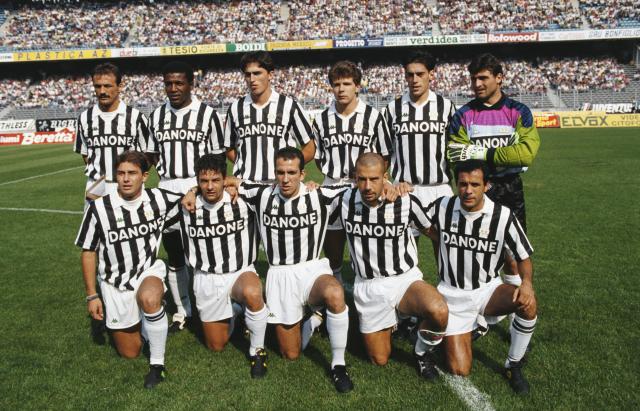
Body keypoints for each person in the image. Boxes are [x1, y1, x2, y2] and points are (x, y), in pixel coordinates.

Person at [224, 147, 353, 393]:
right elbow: (226, 180)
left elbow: (361, 186)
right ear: (274, 173)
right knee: (291, 353)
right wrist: (196, 191)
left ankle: (338, 365)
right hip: (280, 275)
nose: (285, 179)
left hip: (311, 270)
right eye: (280, 172)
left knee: (335, 293)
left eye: (292, 173)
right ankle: (313, 320)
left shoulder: (320, 194)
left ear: (302, 174)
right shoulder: (261, 193)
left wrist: (390, 185)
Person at [423, 160, 537, 395]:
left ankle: (513, 365)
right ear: (456, 185)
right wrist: (394, 188)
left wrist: (526, 283)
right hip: (452, 295)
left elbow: (523, 256)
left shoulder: (502, 216)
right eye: (462, 184)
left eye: (475, 184)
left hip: (487, 291)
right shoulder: (442, 206)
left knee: (528, 304)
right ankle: (458, 328)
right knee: (459, 369)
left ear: (486, 185)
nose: (468, 190)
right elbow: (415, 218)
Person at [447, 53, 541, 336]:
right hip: (478, 190)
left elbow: (526, 153)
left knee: (513, 256)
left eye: (483, 78)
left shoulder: (518, 111)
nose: (477, 84)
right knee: (475, 252)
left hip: (510, 188)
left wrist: (482, 152)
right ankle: (481, 313)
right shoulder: (463, 115)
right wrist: (503, 155)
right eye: (473, 79)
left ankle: (512, 313)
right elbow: (456, 154)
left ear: (499, 78)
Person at [334, 152, 449, 380]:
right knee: (380, 359)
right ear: (354, 178)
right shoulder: (343, 199)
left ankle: (421, 352)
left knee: (439, 310)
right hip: (369, 287)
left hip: (404, 280)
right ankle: (399, 320)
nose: (368, 186)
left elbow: (431, 230)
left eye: (374, 179)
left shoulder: (405, 201)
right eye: (362, 179)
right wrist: (309, 185)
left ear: (385, 177)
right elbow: (308, 194)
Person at [75, 151, 182, 389]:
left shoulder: (158, 198)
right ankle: (147, 322)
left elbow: (194, 195)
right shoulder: (99, 208)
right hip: (115, 284)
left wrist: (202, 190)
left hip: (147, 272)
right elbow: (88, 252)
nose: (125, 179)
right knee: (130, 352)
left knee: (150, 297)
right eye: (121, 173)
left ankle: (157, 365)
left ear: (144, 176)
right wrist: (92, 295)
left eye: (132, 173)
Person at [165, 153, 268, 378]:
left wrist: (235, 183)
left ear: (225, 179)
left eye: (216, 180)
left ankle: (257, 351)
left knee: (252, 291)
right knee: (216, 345)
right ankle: (237, 311)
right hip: (206, 278)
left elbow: (270, 189)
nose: (210, 186)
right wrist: (191, 191)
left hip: (240, 272)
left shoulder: (242, 200)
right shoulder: (186, 206)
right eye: (204, 181)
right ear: (197, 181)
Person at [147, 61, 225, 332]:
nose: (173, 88)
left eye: (179, 83)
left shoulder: (207, 114)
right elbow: (150, 157)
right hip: (167, 190)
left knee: (208, 254)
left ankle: (216, 307)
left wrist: (203, 189)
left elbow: (218, 159)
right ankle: (183, 311)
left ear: (191, 84)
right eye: (168, 83)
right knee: (175, 255)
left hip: (200, 190)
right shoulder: (156, 116)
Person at [313, 60, 391, 285]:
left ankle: (371, 281)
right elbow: (318, 157)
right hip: (332, 184)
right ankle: (336, 277)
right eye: (336, 84)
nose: (341, 89)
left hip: (363, 187)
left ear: (357, 86)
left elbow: (384, 155)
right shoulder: (321, 119)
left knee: (368, 237)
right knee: (333, 238)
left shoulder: (373, 116)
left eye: (346, 84)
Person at [384, 50, 457, 236]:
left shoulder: (446, 107)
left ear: (431, 74)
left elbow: (457, 148)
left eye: (420, 74)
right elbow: (382, 151)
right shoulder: (392, 109)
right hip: (404, 189)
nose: (414, 80)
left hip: (440, 189)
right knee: (404, 249)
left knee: (444, 247)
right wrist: (387, 182)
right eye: (410, 75)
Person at [223, 51, 316, 183]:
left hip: (279, 186)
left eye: (257, 73)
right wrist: (246, 165)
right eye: (248, 74)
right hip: (245, 186)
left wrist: (287, 169)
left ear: (270, 75)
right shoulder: (235, 108)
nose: (252, 79)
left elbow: (309, 148)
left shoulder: (289, 106)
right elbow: (229, 148)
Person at [74, 63, 150, 203]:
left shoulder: (136, 118)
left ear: (119, 86)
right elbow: (85, 154)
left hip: (128, 186)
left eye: (107, 86)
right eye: (98, 86)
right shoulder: (84, 118)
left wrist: (132, 177)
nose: (102, 91)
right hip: (96, 187)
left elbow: (147, 155)